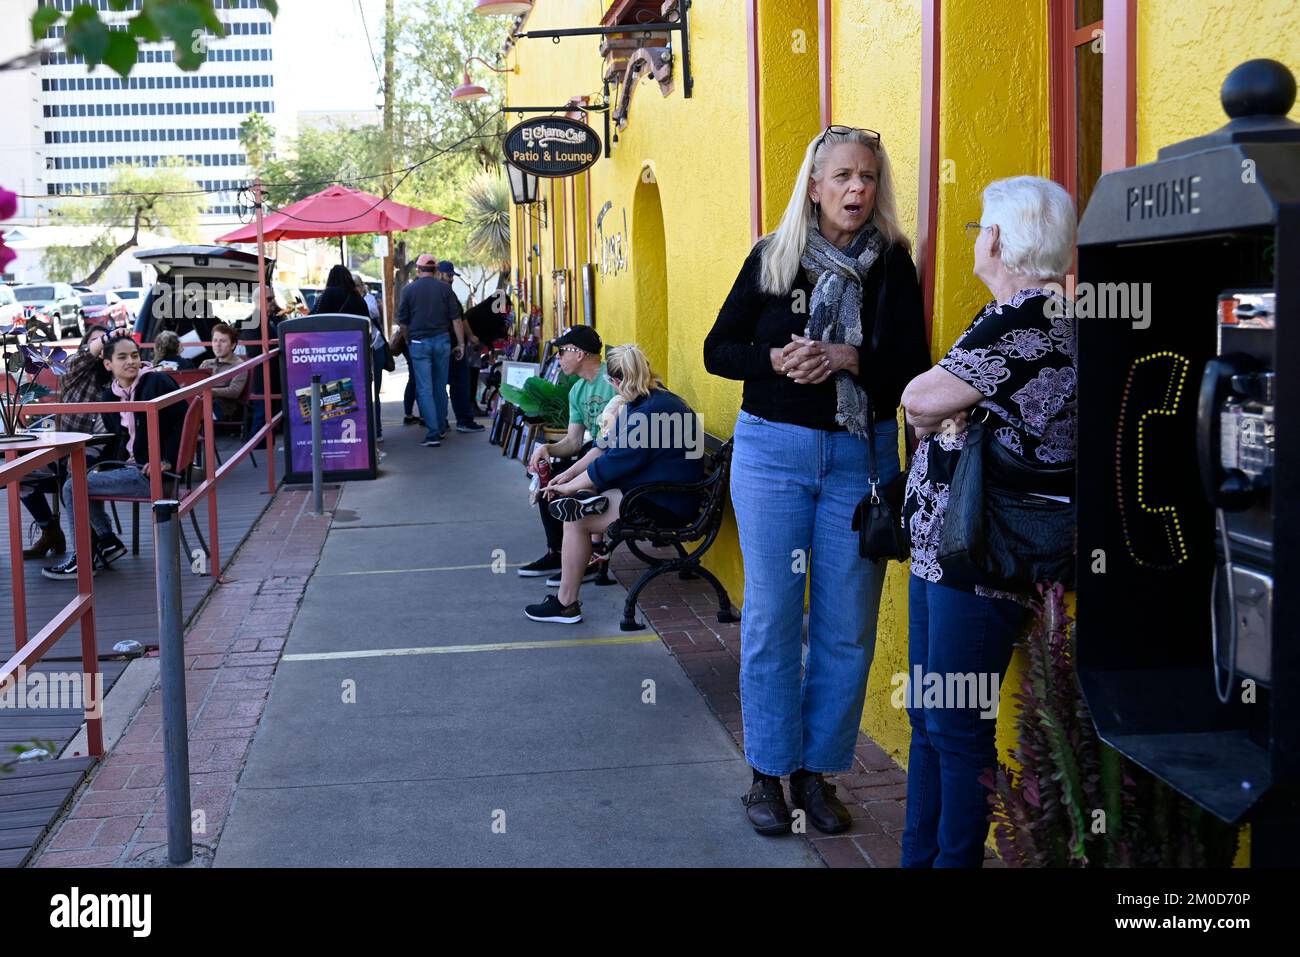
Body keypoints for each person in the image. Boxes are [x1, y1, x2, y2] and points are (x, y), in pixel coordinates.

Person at [703, 125, 930, 836]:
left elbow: (914, 372)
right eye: (842, 177)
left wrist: (848, 357)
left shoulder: (894, 263)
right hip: (772, 455)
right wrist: (778, 359)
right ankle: (767, 774)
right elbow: (719, 350)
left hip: (859, 463)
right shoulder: (774, 256)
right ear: (814, 183)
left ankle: (818, 772)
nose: (857, 188)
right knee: (772, 616)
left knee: (846, 626)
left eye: (867, 177)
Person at [898, 175, 1077, 868]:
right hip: (948, 554)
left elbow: (918, 397)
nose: (976, 238)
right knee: (931, 721)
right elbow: (936, 405)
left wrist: (946, 407)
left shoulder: (1028, 320)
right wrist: (950, 407)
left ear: (996, 239)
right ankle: (922, 857)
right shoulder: (1034, 315)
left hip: (979, 560)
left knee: (954, 726)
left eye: (978, 228)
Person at [525, 344, 704, 624]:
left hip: (669, 502)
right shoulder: (648, 401)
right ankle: (575, 583)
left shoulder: (652, 411)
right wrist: (568, 476)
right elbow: (601, 448)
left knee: (577, 519)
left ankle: (565, 604)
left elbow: (614, 462)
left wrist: (570, 488)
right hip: (654, 491)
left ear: (616, 381)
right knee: (580, 503)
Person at [42, 334, 186, 580]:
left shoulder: (156, 382)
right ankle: (107, 542)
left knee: (72, 486)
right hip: (130, 466)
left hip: (150, 472)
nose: (131, 362)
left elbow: (181, 422)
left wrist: (167, 460)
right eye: (122, 357)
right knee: (81, 477)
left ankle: (87, 556)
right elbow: (116, 441)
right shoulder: (110, 395)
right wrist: (92, 465)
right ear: (107, 364)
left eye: (135, 356)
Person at [518, 325, 617, 581]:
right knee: (549, 483)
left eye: (562, 352)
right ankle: (558, 552)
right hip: (596, 452)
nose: (558, 358)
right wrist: (547, 448)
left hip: (618, 455)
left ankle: (594, 553)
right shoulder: (577, 390)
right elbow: (573, 441)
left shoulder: (614, 378)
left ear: (580, 353)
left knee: (572, 485)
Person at [20, 324, 111, 560]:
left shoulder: (116, 373)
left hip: (102, 449)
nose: (102, 346)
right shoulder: (74, 370)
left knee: (76, 479)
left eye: (106, 342)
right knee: (20, 473)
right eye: (96, 342)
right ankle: (50, 530)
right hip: (65, 448)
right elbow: (77, 360)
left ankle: (96, 542)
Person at [397, 253, 465, 447]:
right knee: (440, 386)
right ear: (436, 270)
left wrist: (410, 341)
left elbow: (403, 323)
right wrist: (460, 344)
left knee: (425, 389)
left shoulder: (408, 291)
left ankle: (433, 432)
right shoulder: (445, 289)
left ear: (418, 270)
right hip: (442, 341)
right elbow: (456, 319)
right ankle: (441, 426)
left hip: (419, 344)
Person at [438, 260, 484, 433]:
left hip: (434, 345)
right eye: (449, 275)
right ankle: (463, 420)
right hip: (451, 345)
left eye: (452, 276)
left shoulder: (427, 292)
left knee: (437, 385)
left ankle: (439, 422)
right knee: (460, 383)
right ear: (440, 274)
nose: (451, 279)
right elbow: (458, 319)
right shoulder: (447, 294)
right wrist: (464, 341)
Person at [354, 273, 389, 442]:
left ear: (362, 287)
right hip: (358, 350)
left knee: (374, 392)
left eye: (357, 286)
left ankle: (377, 430)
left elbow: (372, 312)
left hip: (375, 348)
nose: (355, 289)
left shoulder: (368, 299)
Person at [199, 322, 250, 421]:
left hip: (223, 408)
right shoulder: (206, 363)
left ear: (233, 345)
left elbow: (234, 391)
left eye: (222, 341)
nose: (217, 345)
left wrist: (208, 391)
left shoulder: (239, 365)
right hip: (203, 403)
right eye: (215, 340)